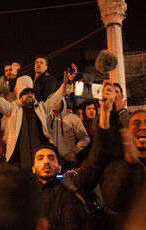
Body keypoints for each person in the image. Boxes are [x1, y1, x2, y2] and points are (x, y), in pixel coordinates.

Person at [33, 82, 119, 230]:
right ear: (33, 168)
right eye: (40, 158)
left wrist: (105, 114)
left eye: (51, 158)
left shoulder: (74, 183)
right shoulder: (28, 197)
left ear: (59, 166)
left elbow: (97, 159)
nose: (46, 161)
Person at [0, 62, 76, 171]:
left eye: (31, 93)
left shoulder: (42, 109)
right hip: (16, 162)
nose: (29, 95)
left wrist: (68, 81)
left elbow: (57, 96)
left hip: (38, 163)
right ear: (20, 97)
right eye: (26, 94)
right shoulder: (12, 110)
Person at [100, 109, 146, 229]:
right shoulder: (115, 166)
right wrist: (128, 166)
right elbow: (112, 202)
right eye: (136, 124)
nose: (143, 127)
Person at [47, 98, 90, 173]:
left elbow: (85, 138)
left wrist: (74, 151)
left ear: (63, 102)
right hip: (50, 161)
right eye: (52, 100)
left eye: (57, 100)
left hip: (68, 161)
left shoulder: (73, 118)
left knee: (69, 184)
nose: (54, 102)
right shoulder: (46, 120)